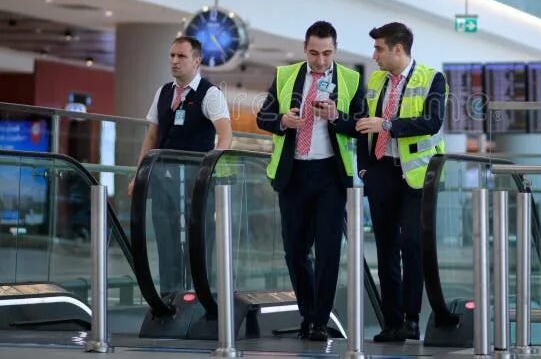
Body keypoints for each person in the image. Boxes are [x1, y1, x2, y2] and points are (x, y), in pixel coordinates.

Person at [256, 21, 366, 342]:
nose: (320, 60)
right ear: (305, 48)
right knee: (295, 251)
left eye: (327, 53)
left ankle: (319, 321)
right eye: (314, 53)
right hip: (294, 175)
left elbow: (361, 124)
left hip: (331, 175)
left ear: (336, 49)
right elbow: (264, 116)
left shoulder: (350, 79)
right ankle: (307, 312)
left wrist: (337, 117)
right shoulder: (285, 75)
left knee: (330, 251)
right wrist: (282, 120)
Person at [355, 22, 446, 342]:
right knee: (385, 249)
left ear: (398, 49)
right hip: (382, 172)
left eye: (379, 48)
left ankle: (411, 318)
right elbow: (364, 126)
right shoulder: (377, 79)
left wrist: (388, 124)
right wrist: (364, 168)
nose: (374, 55)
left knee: (411, 244)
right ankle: (391, 322)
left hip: (418, 176)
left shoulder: (432, 78)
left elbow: (431, 122)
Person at [128, 35, 232, 296]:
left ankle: (200, 298)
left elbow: (226, 135)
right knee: (166, 241)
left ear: (196, 61)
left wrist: (210, 169)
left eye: (181, 56)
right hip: (164, 180)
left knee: (198, 241)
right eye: (172, 55)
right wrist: (139, 175)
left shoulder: (210, 94)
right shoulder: (164, 92)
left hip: (196, 182)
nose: (174, 61)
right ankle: (169, 299)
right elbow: (152, 136)